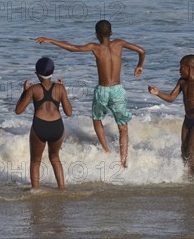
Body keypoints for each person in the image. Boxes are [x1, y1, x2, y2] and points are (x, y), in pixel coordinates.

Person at [36, 20, 145, 168]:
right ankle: (123, 161)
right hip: (118, 90)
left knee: (97, 119)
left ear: (96, 34)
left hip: (103, 90)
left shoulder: (95, 47)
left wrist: (50, 40)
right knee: (123, 127)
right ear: (111, 33)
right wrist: (139, 65)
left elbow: (73, 48)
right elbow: (141, 51)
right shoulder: (119, 43)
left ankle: (106, 151)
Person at [148, 54, 194, 176]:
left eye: (181, 67)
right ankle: (186, 173)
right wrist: (158, 93)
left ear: (189, 68)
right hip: (187, 120)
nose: (179, 70)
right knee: (184, 150)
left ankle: (192, 175)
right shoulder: (182, 82)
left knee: (191, 149)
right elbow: (171, 98)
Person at [15, 57, 73, 190]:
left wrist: (24, 92)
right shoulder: (60, 88)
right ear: (53, 72)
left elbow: (18, 110)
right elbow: (69, 112)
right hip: (57, 126)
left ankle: (35, 191)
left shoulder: (34, 89)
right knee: (55, 158)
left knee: (36, 161)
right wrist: (63, 90)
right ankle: (62, 189)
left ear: (36, 73)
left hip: (40, 126)